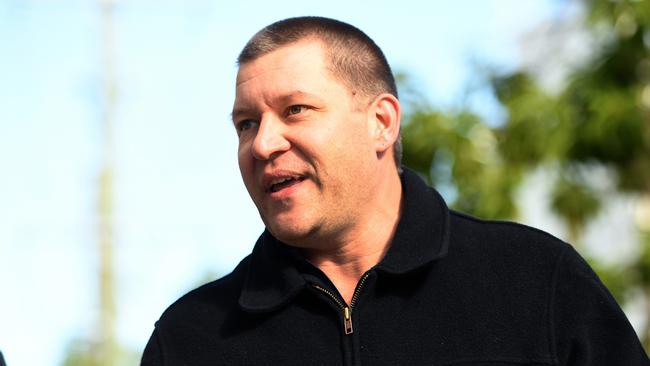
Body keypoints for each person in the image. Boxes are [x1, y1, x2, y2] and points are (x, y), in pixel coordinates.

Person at [141, 16, 649, 365]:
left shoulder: (537, 282)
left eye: (295, 110)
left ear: (381, 122)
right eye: (246, 123)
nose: (263, 143)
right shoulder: (190, 339)